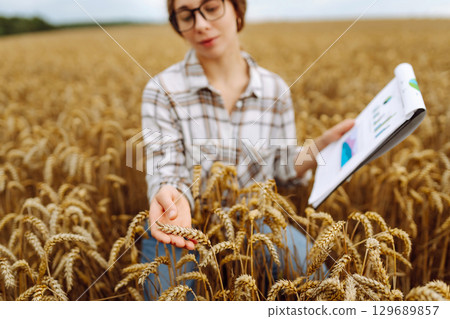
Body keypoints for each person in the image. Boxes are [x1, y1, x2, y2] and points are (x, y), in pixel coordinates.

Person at [140, 0, 355, 300]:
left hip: (259, 220)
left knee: (323, 280)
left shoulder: (273, 88)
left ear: (237, 9)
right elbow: (167, 166)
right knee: (167, 300)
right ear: (178, 26)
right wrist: (172, 200)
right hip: (182, 224)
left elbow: (282, 166)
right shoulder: (161, 89)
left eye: (211, 7)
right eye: (186, 16)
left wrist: (319, 148)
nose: (201, 24)